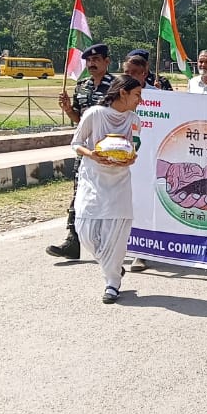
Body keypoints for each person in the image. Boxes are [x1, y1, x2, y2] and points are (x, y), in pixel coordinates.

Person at [70, 74, 143, 304]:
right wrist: (93, 155)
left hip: (120, 183)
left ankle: (112, 283)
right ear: (123, 93)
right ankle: (111, 266)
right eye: (137, 95)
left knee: (117, 235)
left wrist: (129, 159)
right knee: (86, 233)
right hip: (93, 180)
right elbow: (76, 143)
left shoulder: (134, 120)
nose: (139, 100)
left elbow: (134, 148)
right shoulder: (94, 114)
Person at [46, 43, 114, 260]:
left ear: (106, 62)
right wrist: (68, 109)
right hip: (85, 150)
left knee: (108, 196)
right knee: (79, 193)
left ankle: (108, 242)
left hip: (108, 150)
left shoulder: (116, 86)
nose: (92, 64)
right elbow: (79, 119)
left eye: (96, 60)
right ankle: (72, 240)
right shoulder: (82, 86)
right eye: (89, 61)